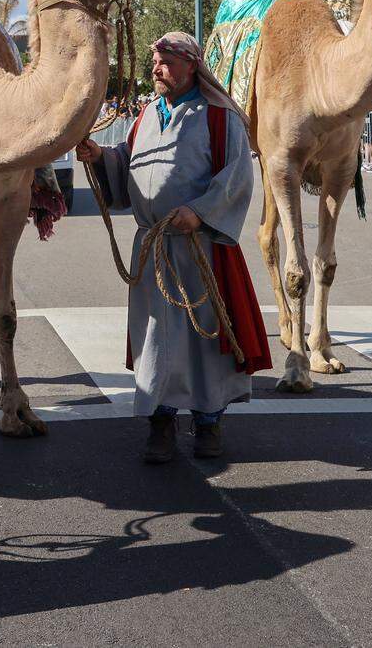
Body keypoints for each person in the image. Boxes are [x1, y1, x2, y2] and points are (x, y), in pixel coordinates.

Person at [76, 32, 271, 463]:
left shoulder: (220, 118)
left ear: (190, 66)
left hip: (199, 249)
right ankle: (160, 425)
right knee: (156, 339)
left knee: (204, 344)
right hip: (152, 251)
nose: (157, 69)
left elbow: (237, 178)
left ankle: (207, 425)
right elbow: (128, 161)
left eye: (165, 62)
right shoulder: (147, 113)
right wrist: (99, 157)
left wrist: (200, 212)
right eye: (155, 62)